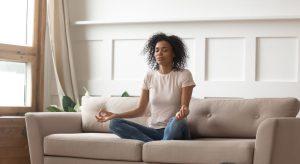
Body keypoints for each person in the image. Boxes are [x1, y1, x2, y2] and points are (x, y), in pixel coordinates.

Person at [95, 32, 196, 142]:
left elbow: (184, 108)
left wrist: (184, 111)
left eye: (165, 50)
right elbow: (140, 110)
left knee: (178, 121)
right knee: (115, 123)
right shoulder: (149, 76)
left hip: (175, 129)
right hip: (154, 131)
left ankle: (157, 146)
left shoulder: (184, 74)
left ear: (174, 53)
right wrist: (115, 115)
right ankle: (155, 145)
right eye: (157, 50)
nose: (159, 53)